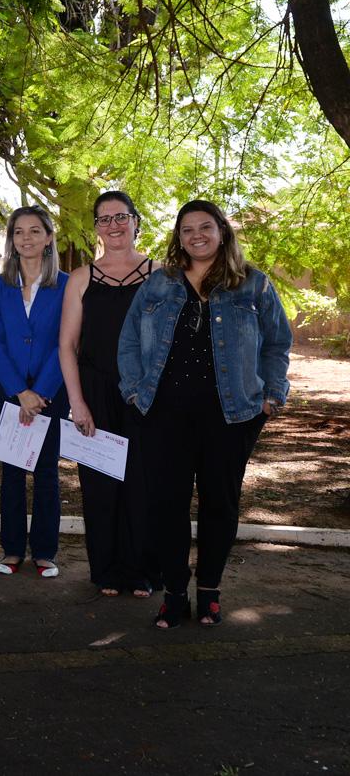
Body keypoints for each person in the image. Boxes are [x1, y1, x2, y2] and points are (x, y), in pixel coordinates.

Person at [119, 199, 291, 629]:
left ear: (222, 232)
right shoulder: (158, 285)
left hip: (231, 418)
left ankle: (210, 591)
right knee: (166, 507)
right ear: (178, 237)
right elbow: (128, 345)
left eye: (205, 227)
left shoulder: (253, 285)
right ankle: (174, 593)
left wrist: (272, 396)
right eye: (187, 229)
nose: (196, 235)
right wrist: (135, 394)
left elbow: (276, 344)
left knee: (221, 506)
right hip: (164, 416)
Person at [59, 191, 160, 598]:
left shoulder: (161, 274)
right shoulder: (82, 278)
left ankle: (141, 571)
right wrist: (77, 402)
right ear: (95, 228)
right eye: (104, 219)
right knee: (100, 484)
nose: (114, 226)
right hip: (96, 390)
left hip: (146, 393)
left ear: (136, 222)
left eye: (121, 217)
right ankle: (106, 571)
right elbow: (67, 345)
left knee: (144, 483)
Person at [0, 205, 70, 579]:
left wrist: (40, 393)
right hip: (8, 391)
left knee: (47, 472)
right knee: (12, 471)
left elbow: (66, 343)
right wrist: (20, 392)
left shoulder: (67, 285)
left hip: (52, 392)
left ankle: (45, 551)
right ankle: (13, 549)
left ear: (49, 237)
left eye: (35, 231)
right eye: (19, 232)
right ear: (11, 239)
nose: (27, 238)